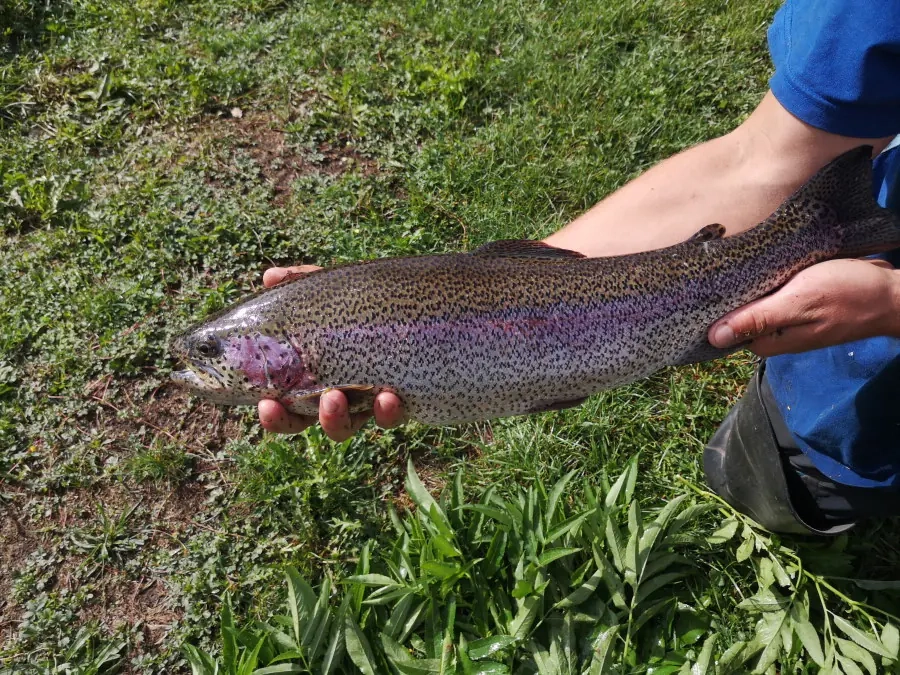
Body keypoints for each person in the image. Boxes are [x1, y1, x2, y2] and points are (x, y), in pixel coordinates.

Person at [257, 0, 900, 535]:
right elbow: (764, 164)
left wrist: (889, 305)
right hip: (856, 369)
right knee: (788, 481)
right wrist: (498, 295)